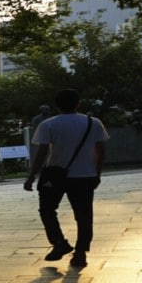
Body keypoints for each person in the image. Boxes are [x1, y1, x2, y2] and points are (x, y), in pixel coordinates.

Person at [24, 89, 108, 268]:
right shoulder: (93, 123)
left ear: (56, 105)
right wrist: (97, 173)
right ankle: (80, 254)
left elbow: (42, 152)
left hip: (55, 176)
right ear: (78, 103)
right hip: (85, 176)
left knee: (47, 210)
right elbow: (100, 151)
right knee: (84, 216)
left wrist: (31, 176)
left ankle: (59, 243)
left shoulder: (48, 125)